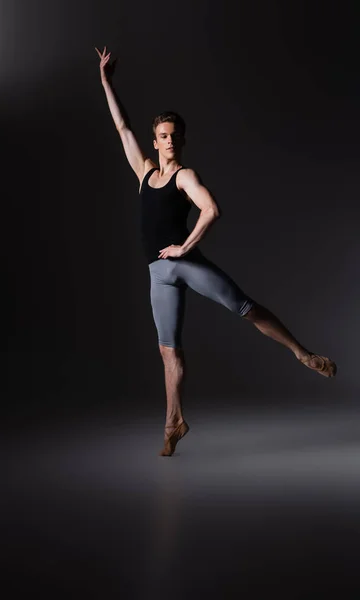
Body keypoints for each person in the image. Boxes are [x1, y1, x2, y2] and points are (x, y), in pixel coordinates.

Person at [95, 46, 337, 457]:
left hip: (185, 265)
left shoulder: (186, 176)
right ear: (155, 142)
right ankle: (174, 421)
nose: (169, 141)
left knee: (244, 306)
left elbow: (211, 210)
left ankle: (303, 354)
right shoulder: (144, 173)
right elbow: (122, 128)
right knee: (168, 350)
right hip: (158, 273)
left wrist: (184, 247)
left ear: (182, 140)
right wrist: (105, 81)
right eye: (163, 136)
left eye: (174, 136)